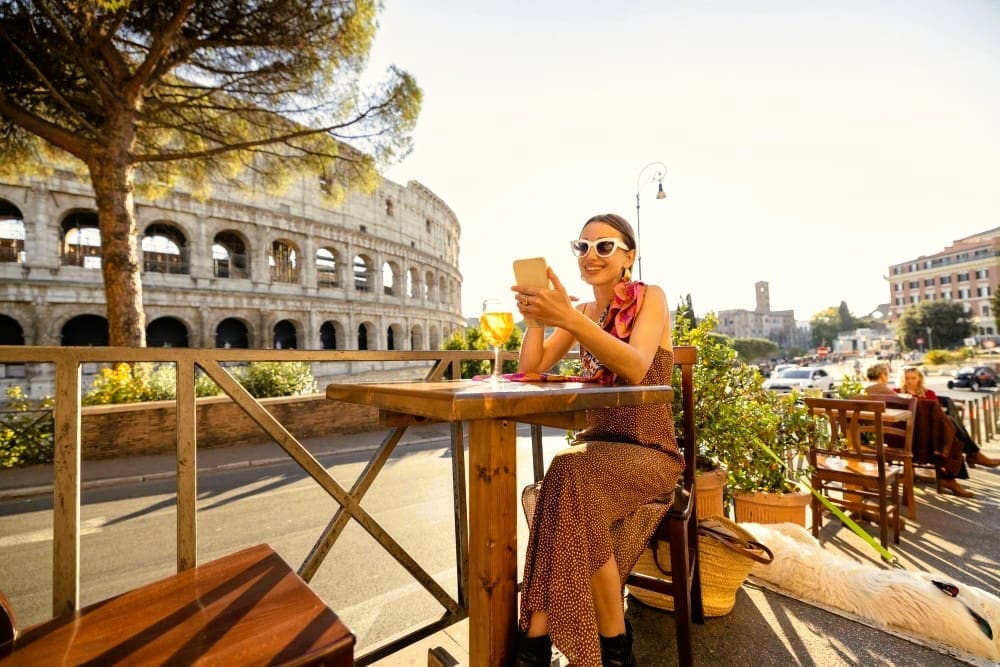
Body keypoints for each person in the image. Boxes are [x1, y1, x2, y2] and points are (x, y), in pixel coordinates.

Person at [510, 213, 683, 667]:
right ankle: (613, 650)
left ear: (630, 254)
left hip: (651, 453)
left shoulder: (651, 299)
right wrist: (536, 321)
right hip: (595, 453)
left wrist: (568, 316)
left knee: (565, 475)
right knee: (570, 475)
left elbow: (635, 366)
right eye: (582, 247)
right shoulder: (584, 314)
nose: (591, 256)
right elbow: (531, 370)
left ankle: (535, 642)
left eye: (604, 247)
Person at [896, 366, 998, 497]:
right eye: (907, 378)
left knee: (951, 438)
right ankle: (970, 457)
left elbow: (938, 416)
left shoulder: (929, 393)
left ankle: (951, 477)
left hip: (931, 434)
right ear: (902, 379)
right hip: (911, 433)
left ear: (920, 378)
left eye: (913, 378)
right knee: (951, 434)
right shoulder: (896, 393)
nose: (910, 381)